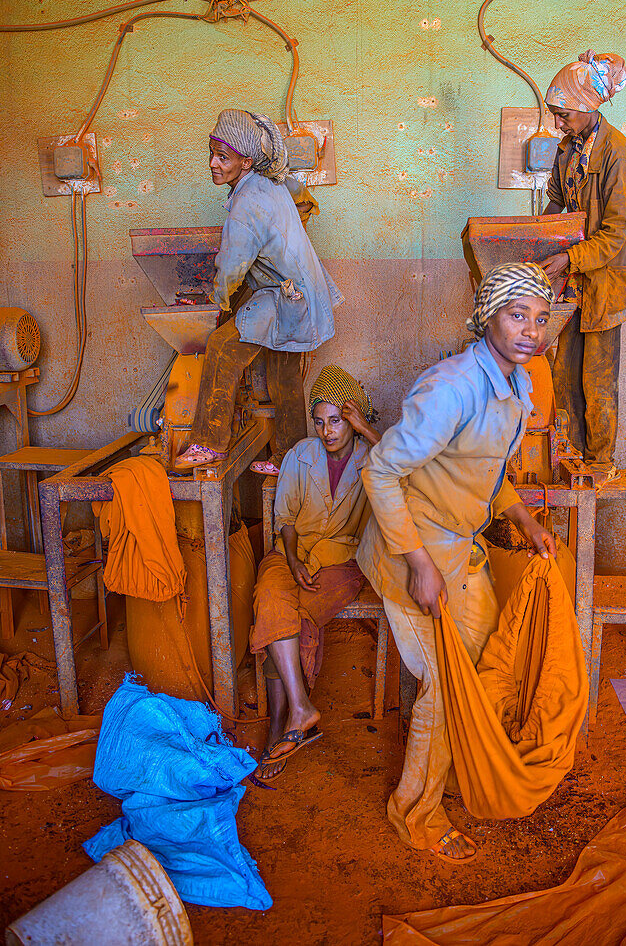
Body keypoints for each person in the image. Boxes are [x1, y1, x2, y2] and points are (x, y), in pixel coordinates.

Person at [357, 263, 557, 864]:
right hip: (411, 553)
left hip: (459, 551)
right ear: (486, 317)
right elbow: (380, 471)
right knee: (447, 685)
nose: (531, 331)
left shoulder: (517, 383)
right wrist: (418, 562)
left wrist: (521, 519)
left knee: (492, 656)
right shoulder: (451, 387)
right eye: (516, 315)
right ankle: (416, 812)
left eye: (541, 319)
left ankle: (467, 765)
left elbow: (488, 474)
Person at [175, 109, 343, 472]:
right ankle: (291, 458)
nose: (213, 164)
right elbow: (301, 197)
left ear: (245, 161)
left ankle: (209, 443)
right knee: (283, 374)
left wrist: (216, 305)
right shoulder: (271, 180)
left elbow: (231, 267)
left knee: (221, 347)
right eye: (212, 153)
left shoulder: (246, 205)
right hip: (302, 291)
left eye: (223, 157)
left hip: (286, 294)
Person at [250, 365, 381, 780]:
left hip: (341, 563)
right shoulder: (300, 455)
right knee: (272, 599)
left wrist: (368, 431)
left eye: (338, 421)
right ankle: (296, 713)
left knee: (294, 616)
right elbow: (285, 519)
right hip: (291, 554)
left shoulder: (373, 459)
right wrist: (290, 560)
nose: (327, 431)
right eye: (321, 422)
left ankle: (282, 723)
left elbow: (409, 467)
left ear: (354, 418)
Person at [539, 50, 626, 485]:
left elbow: (616, 234)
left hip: (605, 283)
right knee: (564, 374)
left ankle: (600, 463)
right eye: (555, 115)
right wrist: (535, 237)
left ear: (586, 108)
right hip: (574, 285)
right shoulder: (568, 149)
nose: (558, 124)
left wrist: (567, 257)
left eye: (563, 115)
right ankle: (569, 457)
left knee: (596, 381)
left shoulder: (617, 152)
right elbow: (557, 204)